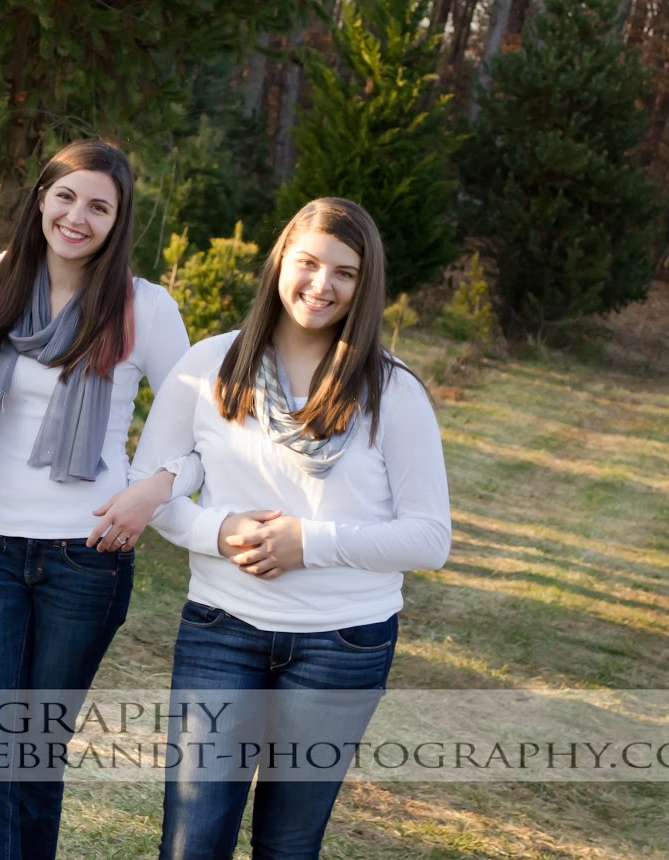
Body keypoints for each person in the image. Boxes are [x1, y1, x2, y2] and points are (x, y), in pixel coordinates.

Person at [133, 197, 450, 860]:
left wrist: (307, 542)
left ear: (366, 288)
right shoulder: (208, 369)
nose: (321, 285)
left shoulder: (393, 393)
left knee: (287, 846)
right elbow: (151, 492)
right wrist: (219, 532)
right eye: (308, 263)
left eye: (345, 272)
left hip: (342, 647)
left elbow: (429, 537)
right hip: (223, 634)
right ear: (280, 262)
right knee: (192, 843)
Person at [0, 139, 193, 859]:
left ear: (119, 221)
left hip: (87, 558)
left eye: (99, 206)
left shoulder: (145, 307)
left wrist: (156, 486)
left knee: (36, 758)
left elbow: (209, 429)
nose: (77, 217)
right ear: (40, 198)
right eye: (66, 196)